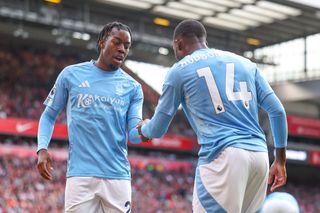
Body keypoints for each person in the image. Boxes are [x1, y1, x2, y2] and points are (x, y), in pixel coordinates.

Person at [137, 19, 288, 212]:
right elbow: (277, 111)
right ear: (203, 39)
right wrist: (280, 160)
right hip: (260, 156)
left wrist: (144, 128)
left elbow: (157, 128)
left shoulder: (179, 71)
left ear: (178, 43)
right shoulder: (246, 64)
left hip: (223, 155)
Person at [37, 21, 144, 213]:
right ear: (102, 42)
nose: (122, 49)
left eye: (126, 46)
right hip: (80, 176)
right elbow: (49, 115)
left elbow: (134, 136)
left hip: (117, 177)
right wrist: (42, 148)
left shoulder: (133, 87)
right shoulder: (71, 75)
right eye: (117, 42)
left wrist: (148, 129)